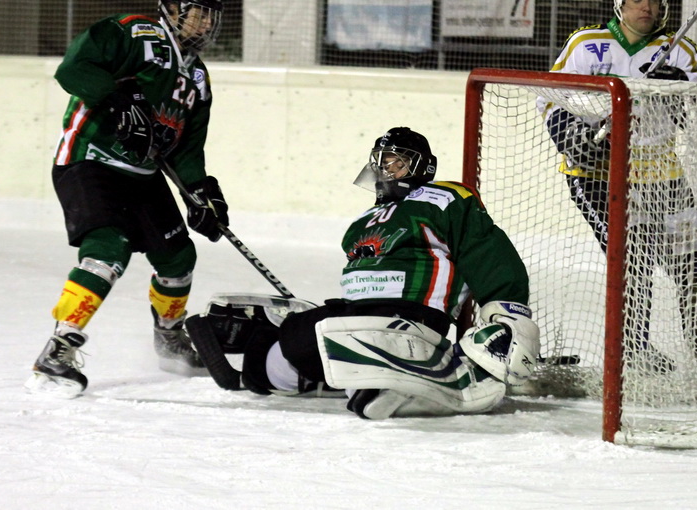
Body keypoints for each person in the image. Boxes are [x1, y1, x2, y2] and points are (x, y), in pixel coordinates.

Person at [184, 127, 541, 420]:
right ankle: (337, 378)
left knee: (357, 344)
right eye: (381, 162)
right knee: (279, 351)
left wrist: (506, 311)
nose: (386, 170)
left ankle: (424, 379)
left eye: (397, 162)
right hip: (353, 313)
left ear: (422, 167)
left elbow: (485, 250)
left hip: (410, 316)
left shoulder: (446, 198)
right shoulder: (364, 219)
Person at [25, 0, 229, 398]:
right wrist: (117, 97)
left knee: (178, 258)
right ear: (174, 8)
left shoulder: (198, 77)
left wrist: (201, 190)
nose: (206, 23)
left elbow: (186, 148)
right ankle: (58, 349)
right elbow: (73, 69)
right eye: (199, 12)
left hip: (143, 175)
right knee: (107, 249)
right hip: (90, 160)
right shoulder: (135, 32)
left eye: (212, 16)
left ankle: (169, 339)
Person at [538, 0, 697, 373]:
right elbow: (551, 99)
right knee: (632, 257)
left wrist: (678, 92)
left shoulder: (681, 52)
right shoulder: (586, 44)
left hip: (663, 177)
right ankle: (632, 350)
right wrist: (572, 137)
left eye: (653, 0)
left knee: (696, 260)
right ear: (620, 4)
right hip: (599, 176)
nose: (646, 6)